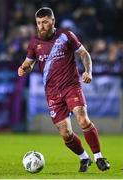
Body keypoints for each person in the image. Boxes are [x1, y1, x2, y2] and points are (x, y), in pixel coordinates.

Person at [18, 7, 110, 172]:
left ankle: (99, 157)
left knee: (82, 119)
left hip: (71, 86)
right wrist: (24, 67)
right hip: (52, 93)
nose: (41, 26)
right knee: (66, 133)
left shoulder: (66, 35)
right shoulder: (34, 43)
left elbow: (84, 54)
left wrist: (88, 71)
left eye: (45, 22)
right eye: (38, 23)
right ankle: (84, 158)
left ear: (52, 21)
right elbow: (29, 63)